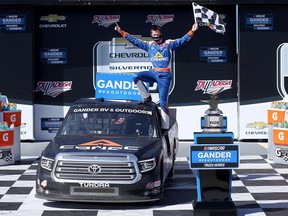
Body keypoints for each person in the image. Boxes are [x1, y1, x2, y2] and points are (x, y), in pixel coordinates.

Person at [115, 22, 198, 131]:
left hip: (164, 76)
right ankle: (146, 97)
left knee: (163, 103)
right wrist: (121, 32)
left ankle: (164, 128)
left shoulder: (168, 44)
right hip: (153, 72)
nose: (156, 37)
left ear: (161, 34)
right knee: (136, 76)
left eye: (157, 35)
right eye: (154, 36)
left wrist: (192, 31)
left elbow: (181, 41)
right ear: (151, 36)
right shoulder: (149, 45)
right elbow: (134, 41)